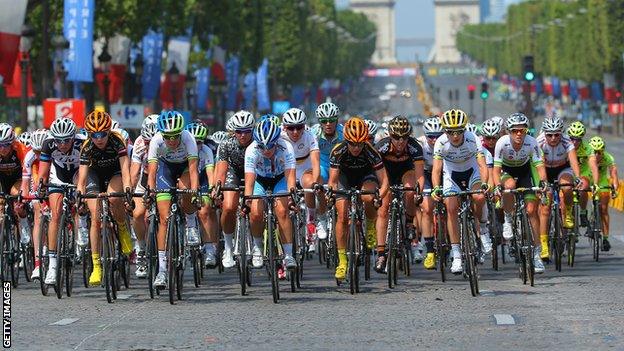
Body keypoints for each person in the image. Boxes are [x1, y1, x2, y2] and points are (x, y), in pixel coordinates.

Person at [327, 117, 389, 281]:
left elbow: (384, 182)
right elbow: (333, 181)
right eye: (352, 144)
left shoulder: (371, 152)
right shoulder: (338, 150)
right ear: (346, 140)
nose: (356, 147)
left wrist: (379, 198)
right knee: (342, 216)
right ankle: (342, 261)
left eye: (360, 144)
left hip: (365, 176)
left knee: (368, 196)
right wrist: (331, 195)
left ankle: (370, 227)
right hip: (345, 178)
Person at [77, 111, 133, 286]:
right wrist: (80, 194)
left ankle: (122, 229)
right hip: (95, 175)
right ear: (89, 134)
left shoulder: (117, 141)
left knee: (114, 198)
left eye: (102, 134)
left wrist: (128, 189)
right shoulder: (86, 147)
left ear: (108, 132)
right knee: (95, 217)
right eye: (94, 135)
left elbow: (125, 170)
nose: (99, 139)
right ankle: (96, 266)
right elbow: (83, 178)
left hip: (115, 172)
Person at [431, 109, 489, 274]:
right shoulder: (441, 142)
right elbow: (436, 170)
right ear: (445, 131)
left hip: (472, 173)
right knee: (451, 208)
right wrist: (436, 188)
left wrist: (485, 183)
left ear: (464, 129)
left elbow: (482, 165)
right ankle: (456, 255)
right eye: (450, 132)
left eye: (458, 131)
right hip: (451, 175)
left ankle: (483, 229)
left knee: (478, 197)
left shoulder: (473, 139)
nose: (455, 136)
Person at [146, 110, 199, 288]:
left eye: (175, 136)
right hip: (165, 169)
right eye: (168, 136)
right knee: (164, 218)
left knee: (186, 190)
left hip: (184, 168)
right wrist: (150, 191)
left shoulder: (188, 138)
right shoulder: (156, 140)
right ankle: (162, 271)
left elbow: (193, 170)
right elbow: (152, 172)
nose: (172, 140)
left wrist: (195, 192)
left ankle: (191, 223)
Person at [493, 113, 549, 274]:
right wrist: (497, 185)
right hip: (507, 170)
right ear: (509, 131)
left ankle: (537, 254)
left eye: (522, 131)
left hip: (525, 172)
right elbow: (496, 170)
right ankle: (509, 219)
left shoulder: (531, 143)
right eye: (515, 131)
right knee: (509, 185)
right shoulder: (502, 143)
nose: (519, 134)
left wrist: (543, 182)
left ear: (526, 131)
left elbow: (539, 166)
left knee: (531, 211)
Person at [244, 117, 297, 277]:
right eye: (262, 146)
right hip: (260, 180)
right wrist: (247, 200)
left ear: (277, 141)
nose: (266, 150)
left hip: (280, 178)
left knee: (282, 211)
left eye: (270, 146)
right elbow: (249, 180)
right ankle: (258, 248)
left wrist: (291, 197)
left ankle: (288, 255)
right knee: (255, 212)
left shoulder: (286, 146)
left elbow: (290, 176)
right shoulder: (251, 150)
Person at [374, 116, 424, 273]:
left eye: (404, 137)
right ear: (390, 135)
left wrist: (418, 193)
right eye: (396, 137)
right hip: (386, 173)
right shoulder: (381, 147)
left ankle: (409, 222)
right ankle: (381, 254)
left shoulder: (415, 147)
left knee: (410, 189)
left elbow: (420, 176)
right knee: (383, 209)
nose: (400, 141)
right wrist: (381, 190)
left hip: (406, 171)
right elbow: (375, 171)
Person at [213, 110, 255, 268]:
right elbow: (222, 171)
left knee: (259, 207)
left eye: (246, 131)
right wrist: (217, 188)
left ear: (253, 130)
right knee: (229, 206)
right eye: (239, 131)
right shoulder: (226, 143)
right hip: (234, 171)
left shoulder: (259, 142)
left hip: (255, 171)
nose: (243, 135)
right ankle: (228, 248)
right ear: (233, 132)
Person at [536, 117, 581, 259]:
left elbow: (573, 161)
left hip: (562, 168)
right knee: (545, 206)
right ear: (545, 133)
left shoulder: (567, 141)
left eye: (557, 134)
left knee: (567, 187)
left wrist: (578, 177)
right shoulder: (539, 142)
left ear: (561, 133)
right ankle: (543, 245)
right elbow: (538, 164)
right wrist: (542, 184)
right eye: (550, 134)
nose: (554, 138)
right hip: (545, 170)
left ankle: (567, 212)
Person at [280, 108, 320, 251]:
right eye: (291, 128)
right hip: (286, 170)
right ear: (284, 127)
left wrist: (316, 183)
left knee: (310, 184)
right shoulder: (278, 136)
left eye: (299, 127)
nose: (295, 132)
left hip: (304, 169)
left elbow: (315, 162)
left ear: (304, 126)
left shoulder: (310, 136)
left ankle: (311, 218)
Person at [129, 114, 158, 278]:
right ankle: (141, 249)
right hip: (145, 177)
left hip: (163, 175)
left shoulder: (167, 141)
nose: (149, 146)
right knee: (138, 214)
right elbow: (134, 173)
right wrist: (129, 193)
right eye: (148, 142)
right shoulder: (139, 143)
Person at [185, 122, 217, 267]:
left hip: (202, 177)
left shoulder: (206, 151)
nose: (195, 145)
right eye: (192, 141)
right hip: (186, 177)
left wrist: (212, 189)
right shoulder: (181, 150)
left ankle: (210, 250)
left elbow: (210, 173)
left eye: (199, 142)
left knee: (204, 210)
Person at [312, 102, 343, 242]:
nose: (328, 124)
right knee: (319, 187)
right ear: (320, 122)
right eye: (324, 121)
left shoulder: (344, 133)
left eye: (331, 120)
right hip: (323, 166)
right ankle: (322, 218)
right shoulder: (314, 133)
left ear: (337, 120)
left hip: (340, 167)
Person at [19, 129, 46, 281]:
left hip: (52, 173)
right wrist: (22, 199)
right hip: (36, 176)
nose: (38, 155)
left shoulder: (54, 152)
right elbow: (26, 182)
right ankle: (37, 264)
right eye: (36, 151)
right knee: (38, 211)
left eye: (41, 151)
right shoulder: (30, 156)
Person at [416, 117, 443, 269]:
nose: (434, 140)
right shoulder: (420, 144)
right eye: (430, 136)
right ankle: (430, 251)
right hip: (425, 174)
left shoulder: (446, 142)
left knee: (451, 205)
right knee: (426, 208)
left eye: (437, 136)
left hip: (444, 174)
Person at [588, 136, 618, 251]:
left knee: (604, 209)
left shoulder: (608, 158)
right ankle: (584, 217)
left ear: (603, 151)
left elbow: (614, 174)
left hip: (602, 182)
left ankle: (605, 238)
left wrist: (614, 187)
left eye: (599, 152)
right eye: (594, 152)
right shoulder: (587, 157)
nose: (596, 155)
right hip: (589, 180)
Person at [566, 121, 599, 227]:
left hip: (583, 172)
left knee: (583, 186)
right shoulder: (564, 145)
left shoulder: (587, 148)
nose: (575, 142)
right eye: (572, 139)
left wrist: (596, 183)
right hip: (568, 172)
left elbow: (593, 166)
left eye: (578, 139)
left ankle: (583, 213)